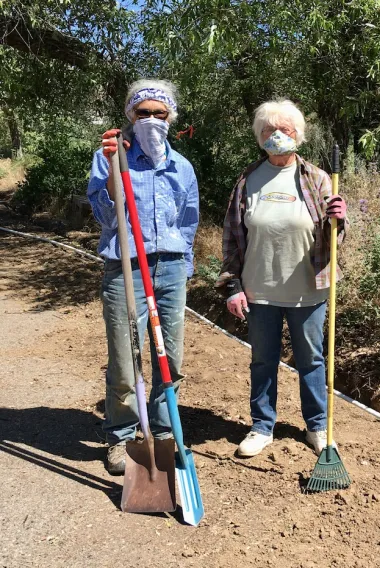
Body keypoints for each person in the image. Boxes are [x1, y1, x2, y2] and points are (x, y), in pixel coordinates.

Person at [215, 100, 347, 458]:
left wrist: (339, 220)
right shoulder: (247, 180)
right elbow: (232, 237)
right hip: (259, 290)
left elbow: (335, 236)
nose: (277, 135)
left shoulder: (317, 179)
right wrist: (232, 286)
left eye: (284, 129)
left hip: (308, 290)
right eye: (269, 130)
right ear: (260, 137)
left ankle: (317, 427)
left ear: (298, 135)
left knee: (312, 361)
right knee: (262, 360)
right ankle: (261, 426)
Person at [87, 79, 199, 475]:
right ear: (130, 116)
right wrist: (113, 168)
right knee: (125, 358)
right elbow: (105, 216)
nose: (151, 118)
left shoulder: (181, 166)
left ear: (170, 117)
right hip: (127, 268)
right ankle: (121, 434)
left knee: (170, 357)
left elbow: (188, 222)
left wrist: (183, 267)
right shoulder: (109, 157)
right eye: (143, 112)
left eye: (159, 112)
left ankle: (165, 431)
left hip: (170, 267)